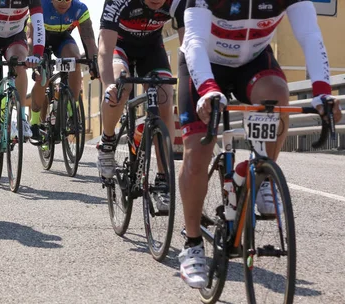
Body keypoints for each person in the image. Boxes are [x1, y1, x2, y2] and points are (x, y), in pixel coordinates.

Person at [177, 0, 343, 289]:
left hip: (253, 62)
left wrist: (322, 91)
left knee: (277, 96)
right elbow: (193, 41)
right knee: (197, 151)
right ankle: (192, 244)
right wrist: (207, 89)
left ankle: (262, 175)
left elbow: (309, 34)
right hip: (204, 62)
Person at [97, 0, 185, 208]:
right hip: (118, 46)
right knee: (121, 88)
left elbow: (189, 45)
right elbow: (104, 50)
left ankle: (163, 179)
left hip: (152, 49)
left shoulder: (178, 2)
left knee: (165, 97)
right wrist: (109, 85)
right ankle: (107, 141)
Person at [0, 0, 46, 160]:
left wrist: (38, 54)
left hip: (14, 37)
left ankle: (22, 118)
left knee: (20, 62)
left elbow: (39, 25)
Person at [27, 0, 99, 143]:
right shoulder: (40, 5)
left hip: (62, 39)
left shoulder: (80, 9)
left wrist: (94, 63)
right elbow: (30, 37)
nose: (63, 3)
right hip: (40, 40)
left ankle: (73, 110)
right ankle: (34, 123)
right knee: (43, 75)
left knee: (75, 60)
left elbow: (89, 40)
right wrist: (34, 61)